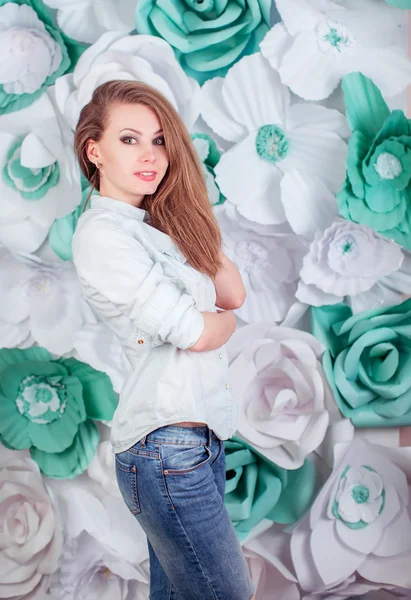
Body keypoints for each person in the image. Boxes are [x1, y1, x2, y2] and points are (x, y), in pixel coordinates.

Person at [71, 80, 254, 600]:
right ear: (94, 149)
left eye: (159, 140)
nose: (150, 155)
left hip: (197, 442)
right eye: (129, 140)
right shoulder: (103, 237)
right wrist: (221, 325)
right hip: (165, 450)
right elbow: (200, 332)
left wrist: (182, 208)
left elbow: (232, 293)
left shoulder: (155, 229)